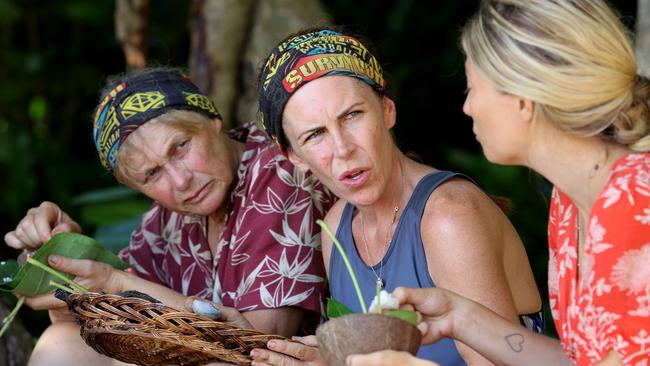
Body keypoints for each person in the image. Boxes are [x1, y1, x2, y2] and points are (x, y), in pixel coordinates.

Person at [347, 0, 650, 365]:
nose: (467, 108)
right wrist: (460, 317)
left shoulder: (635, 204)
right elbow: (583, 359)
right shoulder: (569, 205)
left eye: (473, 88)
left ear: (523, 100)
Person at [249, 28, 544, 366]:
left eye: (352, 115)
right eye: (316, 134)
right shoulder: (336, 230)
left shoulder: (449, 217)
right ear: (295, 157)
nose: (342, 149)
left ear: (387, 110)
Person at [3, 69, 335, 365]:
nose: (180, 181)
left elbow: (259, 347)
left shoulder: (281, 172)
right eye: (151, 174)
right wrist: (59, 260)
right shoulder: (165, 222)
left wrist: (115, 282)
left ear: (212, 119)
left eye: (180, 147)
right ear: (134, 185)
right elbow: (87, 326)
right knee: (62, 344)